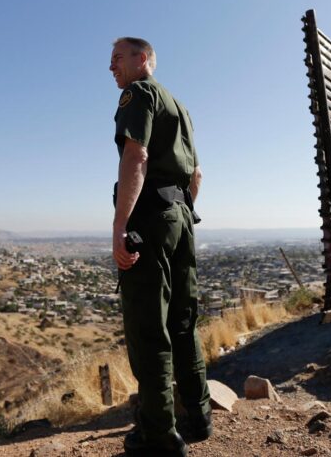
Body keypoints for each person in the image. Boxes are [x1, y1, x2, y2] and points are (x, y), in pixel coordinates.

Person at [109, 37, 211, 457]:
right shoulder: (180, 107)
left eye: (117, 58)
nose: (111, 68)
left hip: (152, 218)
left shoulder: (140, 94)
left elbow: (136, 155)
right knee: (183, 320)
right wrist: (179, 212)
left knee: (149, 327)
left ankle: (158, 437)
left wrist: (120, 223)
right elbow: (198, 175)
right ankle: (199, 415)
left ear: (143, 59)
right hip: (182, 218)